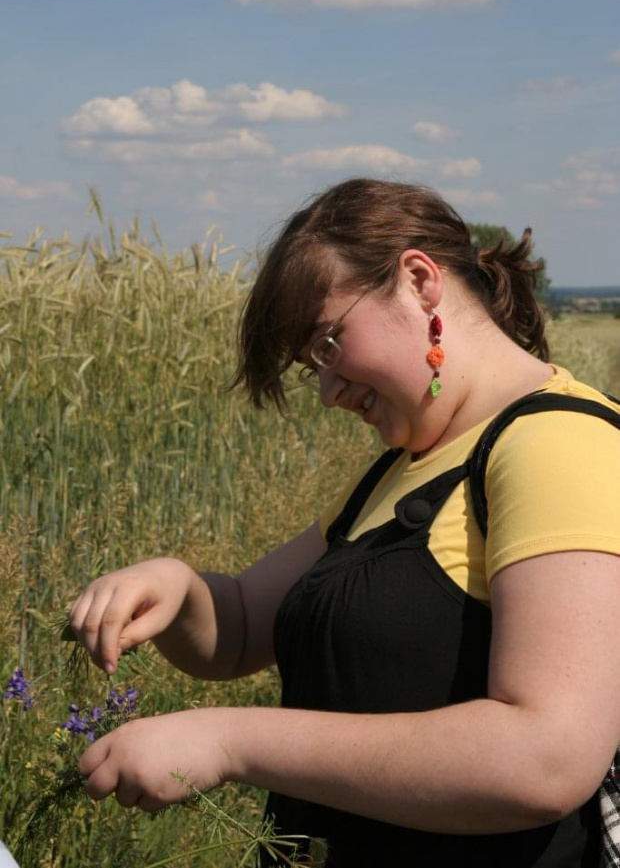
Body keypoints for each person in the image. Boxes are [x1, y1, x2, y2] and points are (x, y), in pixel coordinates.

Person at [71, 178, 620, 867]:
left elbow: (547, 756)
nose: (328, 393)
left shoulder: (557, 444)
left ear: (419, 281)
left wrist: (229, 741)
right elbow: (240, 627)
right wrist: (177, 588)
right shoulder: (402, 468)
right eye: (312, 367)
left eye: (328, 345)